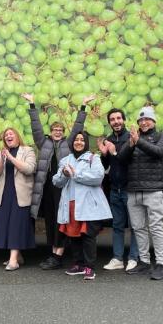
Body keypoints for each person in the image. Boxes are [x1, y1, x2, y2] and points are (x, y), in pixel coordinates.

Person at [21, 92, 94, 271]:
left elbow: (78, 128)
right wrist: (32, 104)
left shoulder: (67, 144)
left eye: (60, 130)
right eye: (55, 130)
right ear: (51, 132)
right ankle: (53, 252)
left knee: (60, 221)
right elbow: (36, 127)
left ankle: (57, 255)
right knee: (49, 221)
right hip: (46, 188)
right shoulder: (42, 143)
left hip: (61, 188)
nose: (58, 132)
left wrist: (83, 107)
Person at [118, 106, 163, 280]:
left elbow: (160, 152)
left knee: (156, 227)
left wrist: (138, 141)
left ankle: (160, 263)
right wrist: (131, 145)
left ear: (154, 121)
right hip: (134, 190)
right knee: (138, 228)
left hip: (155, 189)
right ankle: (144, 261)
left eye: (147, 119)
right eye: (141, 120)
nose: (144, 122)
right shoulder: (134, 139)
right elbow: (121, 158)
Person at [53, 132, 112, 281]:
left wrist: (75, 174)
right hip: (70, 203)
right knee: (74, 236)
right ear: (72, 143)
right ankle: (78, 264)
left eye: (82, 140)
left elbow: (98, 177)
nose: (78, 142)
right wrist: (64, 175)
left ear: (86, 143)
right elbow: (56, 181)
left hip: (88, 204)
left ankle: (89, 267)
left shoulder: (94, 158)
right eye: (76, 140)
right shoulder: (65, 160)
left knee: (88, 236)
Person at [98, 108, 140, 272]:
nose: (116, 122)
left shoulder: (131, 138)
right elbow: (105, 166)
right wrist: (103, 155)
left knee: (135, 226)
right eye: (113, 119)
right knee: (117, 225)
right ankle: (117, 258)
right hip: (115, 188)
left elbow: (127, 160)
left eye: (118, 118)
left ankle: (133, 258)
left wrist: (114, 151)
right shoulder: (108, 140)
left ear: (123, 119)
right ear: (109, 123)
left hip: (130, 188)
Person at [0, 127, 37, 271]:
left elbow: (29, 169)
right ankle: (18, 256)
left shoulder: (27, 150)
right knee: (7, 225)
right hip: (5, 193)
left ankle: (13, 260)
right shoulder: (1, 152)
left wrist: (11, 158)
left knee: (16, 225)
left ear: (17, 136)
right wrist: (2, 160)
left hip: (21, 194)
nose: (8, 136)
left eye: (11, 134)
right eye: (6, 135)